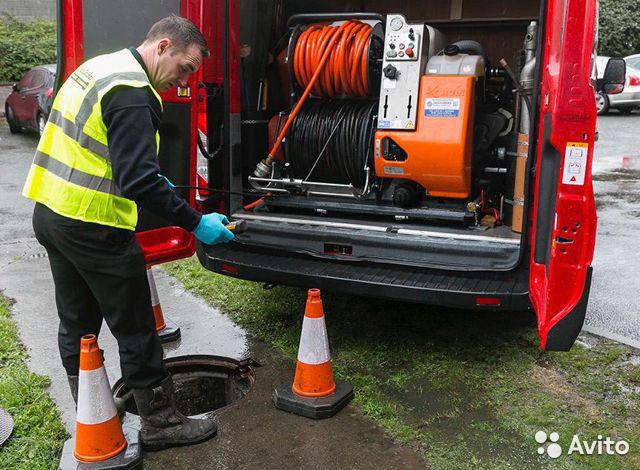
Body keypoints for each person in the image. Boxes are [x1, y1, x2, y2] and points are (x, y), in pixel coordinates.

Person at [22, 15, 232, 450]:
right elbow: (138, 181)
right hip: (95, 226)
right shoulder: (135, 95)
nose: (182, 82)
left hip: (53, 213)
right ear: (163, 46)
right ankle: (161, 422)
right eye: (185, 68)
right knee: (136, 325)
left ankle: (92, 408)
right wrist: (195, 222)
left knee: (77, 322)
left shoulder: (103, 68)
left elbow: (104, 151)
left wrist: (145, 176)